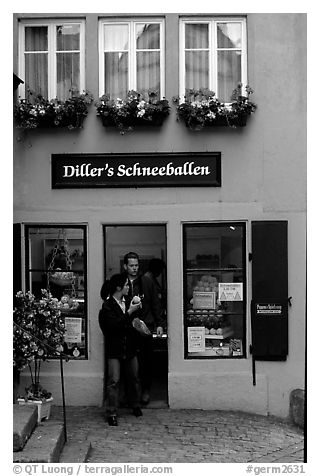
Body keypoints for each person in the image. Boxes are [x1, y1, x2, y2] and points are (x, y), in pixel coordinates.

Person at [98, 273, 143, 426]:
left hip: (130, 346)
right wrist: (129, 312)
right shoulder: (108, 306)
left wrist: (137, 314)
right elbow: (114, 326)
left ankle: (135, 405)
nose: (128, 287)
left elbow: (134, 322)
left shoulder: (129, 301)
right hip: (115, 348)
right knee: (114, 380)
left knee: (134, 378)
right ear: (118, 287)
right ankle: (111, 412)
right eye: (125, 285)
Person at [123, 252, 166, 405]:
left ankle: (145, 391)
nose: (134, 268)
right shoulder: (122, 282)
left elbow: (155, 302)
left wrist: (159, 323)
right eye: (131, 266)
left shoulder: (146, 281)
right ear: (125, 266)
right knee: (128, 360)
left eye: (136, 266)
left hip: (145, 325)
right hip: (127, 327)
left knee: (146, 360)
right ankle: (130, 393)